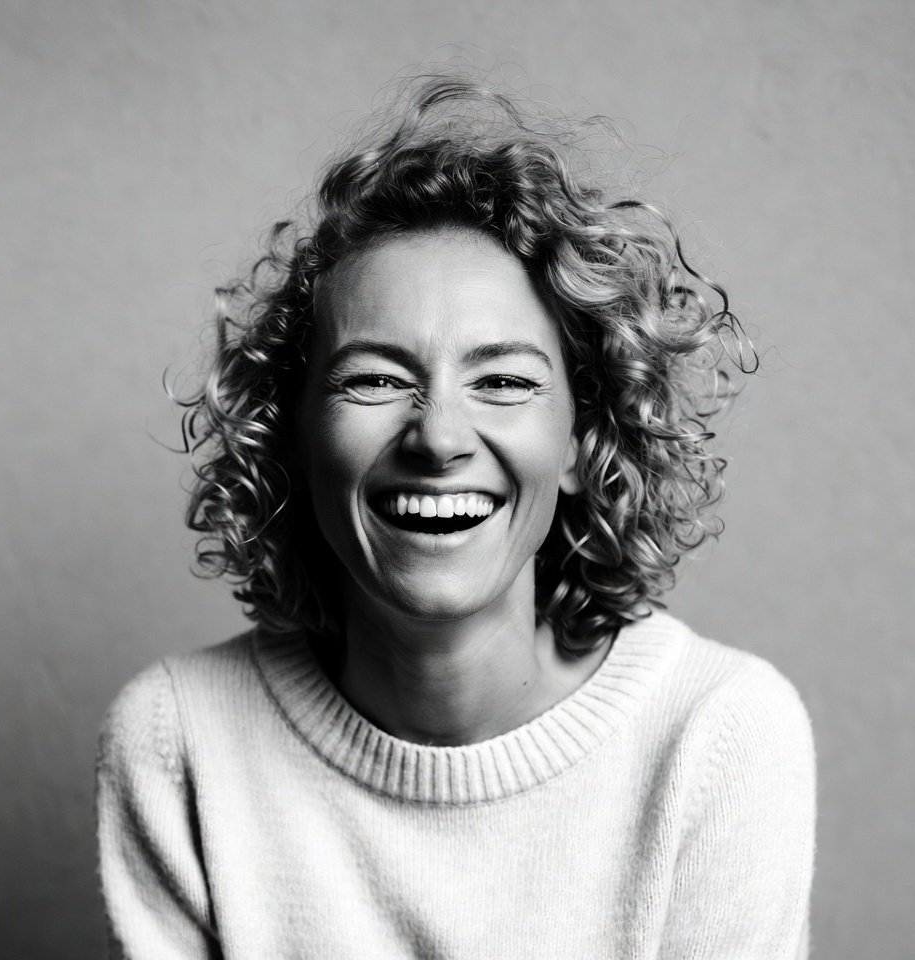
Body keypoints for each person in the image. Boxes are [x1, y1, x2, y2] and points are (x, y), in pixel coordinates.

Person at [96, 73, 815, 959]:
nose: (438, 437)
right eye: (374, 379)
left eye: (503, 381)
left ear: (583, 441)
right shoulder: (178, 741)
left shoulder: (719, 733)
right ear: (292, 438)